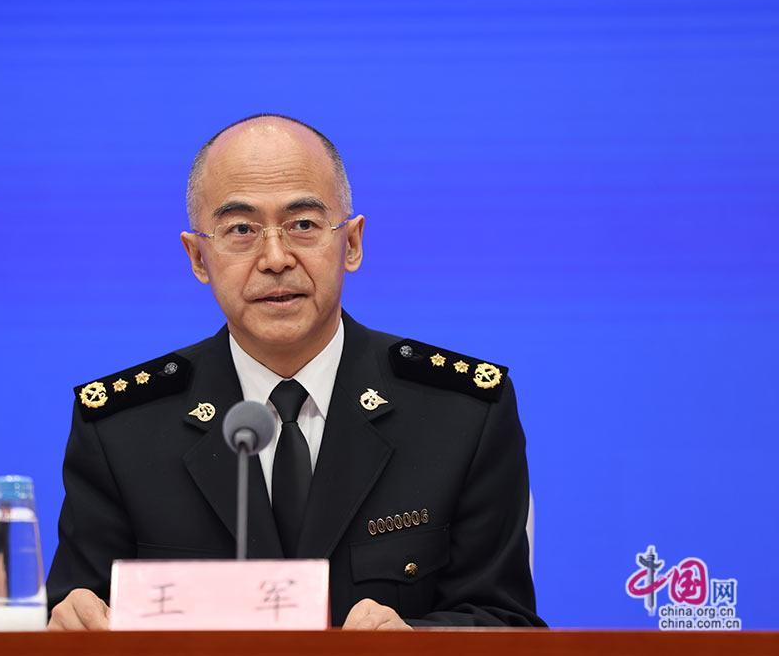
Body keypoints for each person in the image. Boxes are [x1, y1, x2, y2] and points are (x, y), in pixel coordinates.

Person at [45, 114, 544, 630]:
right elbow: (75, 615)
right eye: (241, 229)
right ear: (198, 257)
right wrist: (69, 628)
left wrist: (412, 644)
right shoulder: (121, 430)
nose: (275, 258)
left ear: (352, 243)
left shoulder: (460, 415)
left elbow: (504, 621)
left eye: (303, 224)